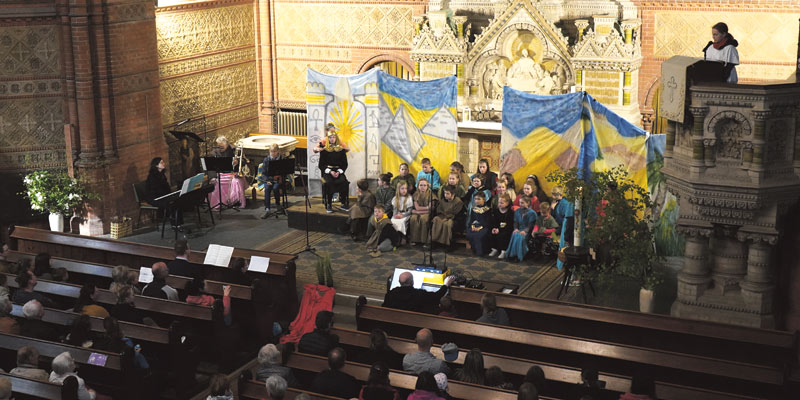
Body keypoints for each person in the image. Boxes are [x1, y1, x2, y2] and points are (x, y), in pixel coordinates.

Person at [383, 272, 454, 314]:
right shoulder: (419, 294)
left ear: (399, 282)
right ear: (412, 282)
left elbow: (384, 307)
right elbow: (437, 296)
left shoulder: (391, 294)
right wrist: (446, 285)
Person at [318, 131, 350, 212]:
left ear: (336, 138)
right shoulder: (324, 150)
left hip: (338, 171)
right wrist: (330, 172)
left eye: (333, 137)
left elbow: (345, 164)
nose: (332, 139)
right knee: (329, 183)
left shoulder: (341, 150)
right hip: (328, 171)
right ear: (328, 139)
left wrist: (339, 172)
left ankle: (343, 202)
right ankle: (329, 203)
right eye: (330, 137)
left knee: (344, 182)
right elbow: (321, 165)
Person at [506, 195, 537, 262]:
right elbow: (515, 222)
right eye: (520, 202)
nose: (520, 204)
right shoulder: (517, 211)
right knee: (515, 234)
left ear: (528, 203)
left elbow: (531, 225)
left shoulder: (532, 213)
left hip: (528, 231)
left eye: (522, 203)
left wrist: (525, 231)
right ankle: (512, 255)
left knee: (520, 236)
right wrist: (516, 228)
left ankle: (519, 256)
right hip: (519, 229)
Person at [259, 143, 285, 218]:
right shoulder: (266, 160)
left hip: (277, 179)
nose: (273, 153)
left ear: (278, 151)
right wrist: (267, 180)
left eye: (274, 152)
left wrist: (280, 178)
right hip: (269, 180)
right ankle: (267, 209)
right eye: (271, 152)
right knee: (267, 189)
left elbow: (284, 171)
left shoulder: (281, 159)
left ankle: (278, 204)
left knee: (275, 188)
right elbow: (263, 173)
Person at [409, 178, 436, 246]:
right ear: (418, 186)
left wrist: (418, 211)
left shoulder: (431, 194)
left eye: (424, 185)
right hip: (420, 212)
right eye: (421, 185)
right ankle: (415, 239)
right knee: (413, 219)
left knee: (424, 219)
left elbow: (430, 207)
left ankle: (424, 240)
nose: (423, 187)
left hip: (427, 213)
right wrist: (424, 209)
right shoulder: (416, 194)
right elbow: (417, 207)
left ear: (427, 186)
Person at [488, 193, 514, 259]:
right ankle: (494, 249)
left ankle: (503, 251)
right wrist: (494, 228)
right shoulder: (496, 211)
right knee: (491, 233)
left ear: (507, 203)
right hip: (497, 227)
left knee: (503, 235)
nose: (499, 204)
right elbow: (494, 221)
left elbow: (509, 224)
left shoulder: (510, 212)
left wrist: (499, 230)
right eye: (499, 202)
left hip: (506, 229)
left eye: (502, 203)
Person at [466, 192, 492, 256]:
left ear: (484, 199)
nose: (477, 201)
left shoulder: (488, 209)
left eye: (479, 199)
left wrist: (479, 228)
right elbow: (471, 220)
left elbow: (488, 222)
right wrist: (472, 226)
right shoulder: (474, 209)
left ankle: (481, 252)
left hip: (484, 227)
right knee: (469, 233)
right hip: (475, 226)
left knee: (478, 235)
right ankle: (474, 250)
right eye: (475, 199)